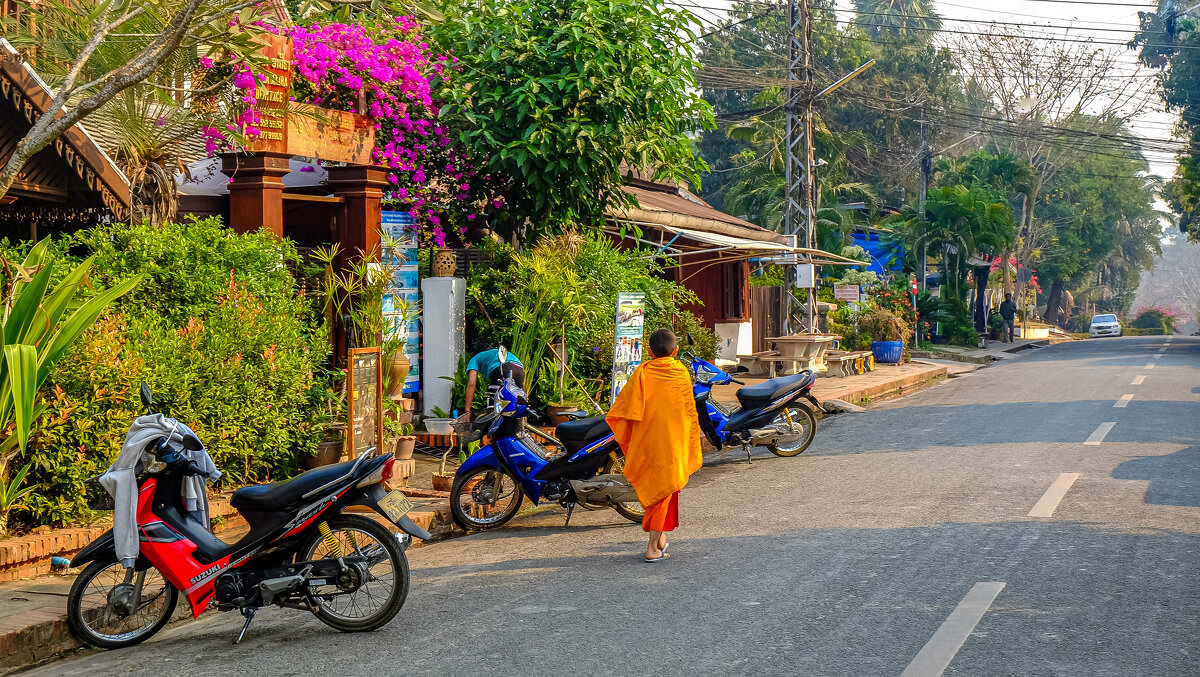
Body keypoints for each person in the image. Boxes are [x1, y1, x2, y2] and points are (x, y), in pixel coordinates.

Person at [606, 329, 703, 563]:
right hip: (673, 442)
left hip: (649, 441)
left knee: (662, 489)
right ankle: (651, 548)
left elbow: (623, 410)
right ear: (676, 351)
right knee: (664, 490)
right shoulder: (680, 372)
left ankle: (660, 540)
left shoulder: (642, 373)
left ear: (649, 352)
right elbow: (688, 410)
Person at [462, 347, 524, 422]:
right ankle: (515, 431)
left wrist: (467, 410)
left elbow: (471, 384)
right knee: (512, 406)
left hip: (503, 369)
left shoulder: (475, 358)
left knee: (494, 409)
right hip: (520, 370)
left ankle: (498, 432)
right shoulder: (495, 353)